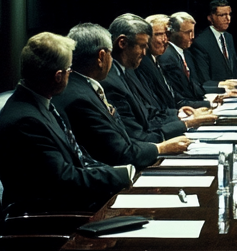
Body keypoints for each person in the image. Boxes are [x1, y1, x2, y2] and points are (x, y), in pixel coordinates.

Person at [0, 31, 132, 213]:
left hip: (71, 202)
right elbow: (64, 179)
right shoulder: (26, 121)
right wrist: (120, 175)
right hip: (51, 217)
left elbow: (79, 156)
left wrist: (116, 172)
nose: (70, 74)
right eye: (69, 70)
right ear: (58, 76)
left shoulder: (40, 102)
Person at [54, 22, 190, 168]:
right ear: (101, 57)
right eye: (110, 53)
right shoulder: (80, 98)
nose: (112, 59)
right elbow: (119, 154)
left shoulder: (83, 87)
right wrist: (160, 148)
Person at [102, 14, 188, 142]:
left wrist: (177, 115)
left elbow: (145, 110)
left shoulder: (127, 70)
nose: (144, 52)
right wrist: (183, 125)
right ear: (122, 43)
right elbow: (136, 134)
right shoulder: (111, 81)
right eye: (142, 46)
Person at [136, 13, 218, 127]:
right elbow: (154, 108)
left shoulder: (156, 59)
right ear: (147, 37)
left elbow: (173, 96)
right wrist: (180, 116)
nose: (165, 40)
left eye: (167, 34)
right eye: (159, 34)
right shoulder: (144, 64)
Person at [192, 0, 237, 91]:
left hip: (234, 92)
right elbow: (204, 80)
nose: (228, 19)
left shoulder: (228, 37)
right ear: (210, 17)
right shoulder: (201, 42)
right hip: (216, 93)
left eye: (229, 14)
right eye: (222, 15)